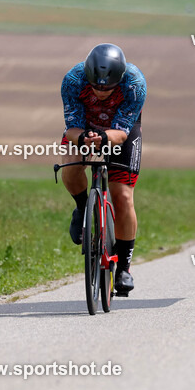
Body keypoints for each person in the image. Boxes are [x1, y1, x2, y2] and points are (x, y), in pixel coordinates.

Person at [60, 43, 146, 295]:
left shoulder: (134, 83)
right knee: (70, 166)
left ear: (118, 79)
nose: (100, 91)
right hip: (84, 128)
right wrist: (84, 139)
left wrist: (103, 139)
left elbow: (121, 132)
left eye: (107, 87)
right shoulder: (73, 80)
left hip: (120, 132)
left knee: (122, 196)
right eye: (96, 86)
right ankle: (82, 207)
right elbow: (71, 127)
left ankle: (124, 268)